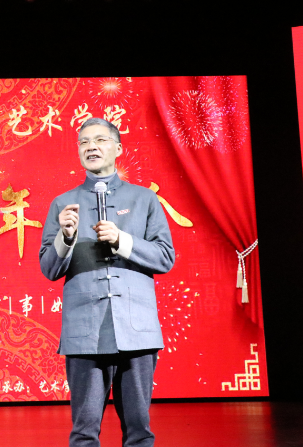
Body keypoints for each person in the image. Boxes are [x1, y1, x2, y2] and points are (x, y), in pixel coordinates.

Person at [39, 118, 175, 447]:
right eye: (84, 142)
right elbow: (49, 269)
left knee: (139, 432)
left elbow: (165, 257)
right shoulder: (63, 204)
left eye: (100, 140)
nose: (91, 147)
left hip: (137, 330)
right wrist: (66, 237)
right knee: (84, 433)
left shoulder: (144, 199)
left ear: (118, 148)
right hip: (84, 333)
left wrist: (121, 240)